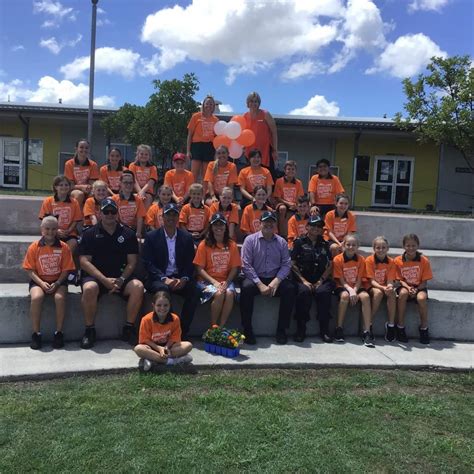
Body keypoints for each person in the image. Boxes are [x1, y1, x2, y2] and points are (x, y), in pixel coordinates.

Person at [78, 197, 144, 349]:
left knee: (138, 287)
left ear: (117, 213)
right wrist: (104, 280)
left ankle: (129, 328)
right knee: (89, 289)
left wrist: (121, 279)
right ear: (100, 213)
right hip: (96, 278)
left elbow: (132, 262)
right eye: (106, 211)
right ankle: (89, 330)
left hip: (120, 278)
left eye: (112, 211)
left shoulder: (128, 234)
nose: (109, 214)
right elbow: (84, 262)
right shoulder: (89, 233)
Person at [142, 203, 199, 337]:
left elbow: (190, 263)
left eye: (174, 215)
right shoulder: (152, 236)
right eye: (168, 214)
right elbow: (148, 263)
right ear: (162, 217)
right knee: (164, 291)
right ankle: (168, 330)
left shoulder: (186, 237)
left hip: (179, 278)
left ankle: (182, 330)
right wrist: (164, 279)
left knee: (195, 291)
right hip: (158, 279)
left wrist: (184, 279)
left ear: (178, 217)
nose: (171, 218)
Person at [240, 211, 296, 345]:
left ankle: (281, 330)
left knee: (290, 289)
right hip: (255, 278)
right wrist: (259, 284)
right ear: (260, 223)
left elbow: (286, 264)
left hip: (274, 278)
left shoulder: (282, 242)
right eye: (266, 221)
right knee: (246, 288)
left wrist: (276, 281)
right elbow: (246, 265)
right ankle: (247, 330)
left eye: (271, 222)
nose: (269, 224)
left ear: (275, 224)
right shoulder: (250, 240)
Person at [22, 216, 75, 350]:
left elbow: (66, 269)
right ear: (42, 229)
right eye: (47, 229)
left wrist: (57, 283)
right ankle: (36, 333)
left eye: (53, 229)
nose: (50, 232)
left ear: (57, 230)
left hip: (59, 281)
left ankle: (59, 333)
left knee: (59, 297)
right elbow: (30, 270)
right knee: (37, 297)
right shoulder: (34, 247)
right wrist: (41, 283)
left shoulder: (64, 247)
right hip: (39, 281)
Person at [291, 215, 335, 343]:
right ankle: (301, 329)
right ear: (307, 227)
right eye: (314, 225)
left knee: (324, 293)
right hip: (302, 278)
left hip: (320, 278)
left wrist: (321, 280)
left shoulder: (325, 244)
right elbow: (292, 263)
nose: (316, 228)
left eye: (319, 226)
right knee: (304, 292)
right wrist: (304, 281)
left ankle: (324, 330)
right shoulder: (299, 242)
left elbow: (330, 265)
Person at [193, 213, 241, 327]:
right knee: (219, 294)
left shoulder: (232, 244)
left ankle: (221, 327)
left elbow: (235, 268)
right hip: (205, 281)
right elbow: (199, 269)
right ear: (211, 227)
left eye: (221, 224)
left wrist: (227, 282)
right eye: (215, 225)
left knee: (229, 293)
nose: (218, 227)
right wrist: (214, 282)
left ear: (226, 227)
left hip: (225, 280)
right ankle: (213, 326)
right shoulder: (204, 244)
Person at [134, 291, 193, 372]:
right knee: (138, 349)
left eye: (166, 305)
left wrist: (166, 348)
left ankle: (152, 360)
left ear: (170, 305)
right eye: (159, 305)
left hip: (169, 348)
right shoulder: (146, 319)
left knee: (188, 345)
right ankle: (171, 361)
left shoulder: (175, 318)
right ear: (153, 305)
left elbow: (174, 338)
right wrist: (159, 349)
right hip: (152, 348)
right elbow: (145, 340)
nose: (162, 308)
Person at [332, 233, 372, 347]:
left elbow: (359, 278)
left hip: (357, 286)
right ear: (343, 245)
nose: (351, 247)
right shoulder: (338, 259)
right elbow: (341, 279)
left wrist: (354, 290)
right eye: (348, 244)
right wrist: (350, 290)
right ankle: (339, 328)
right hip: (342, 286)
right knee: (344, 296)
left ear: (358, 246)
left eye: (354, 245)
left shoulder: (361, 259)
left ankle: (367, 331)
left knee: (365, 297)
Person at [394, 234, 433, 344]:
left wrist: (416, 289)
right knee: (402, 294)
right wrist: (408, 287)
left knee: (421, 298)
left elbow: (424, 282)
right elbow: (399, 280)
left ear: (418, 246)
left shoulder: (424, 260)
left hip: (419, 287)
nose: (410, 248)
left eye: (413, 245)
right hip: (405, 286)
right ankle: (400, 326)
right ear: (403, 246)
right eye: (408, 245)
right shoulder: (397, 260)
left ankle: (424, 328)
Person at [39, 174, 82, 256]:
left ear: (69, 187)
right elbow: (45, 220)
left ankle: (64, 264)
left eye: (66, 185)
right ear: (55, 187)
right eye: (61, 185)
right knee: (50, 242)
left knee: (73, 243)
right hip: (52, 231)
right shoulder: (48, 201)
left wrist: (69, 230)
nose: (64, 187)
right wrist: (56, 230)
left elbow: (76, 220)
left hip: (69, 232)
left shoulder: (74, 202)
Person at [366, 236, 397, 342]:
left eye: (383, 247)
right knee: (378, 293)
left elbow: (390, 280)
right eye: (378, 247)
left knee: (392, 293)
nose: (381, 250)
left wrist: (389, 286)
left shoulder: (391, 262)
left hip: (384, 286)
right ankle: (368, 324)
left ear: (388, 248)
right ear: (374, 249)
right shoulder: (369, 260)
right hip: (373, 287)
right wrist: (383, 288)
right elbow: (371, 281)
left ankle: (391, 325)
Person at [244, 92, 279, 177]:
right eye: (251, 101)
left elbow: (274, 132)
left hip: (265, 151)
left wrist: (275, 150)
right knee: (251, 177)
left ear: (259, 103)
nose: (253, 103)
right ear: (248, 103)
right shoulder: (244, 116)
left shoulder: (265, 114)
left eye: (256, 101)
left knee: (268, 176)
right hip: (250, 152)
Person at [186, 95, 219, 183]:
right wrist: (188, 151)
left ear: (214, 107)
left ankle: (204, 195)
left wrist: (216, 154)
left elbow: (217, 138)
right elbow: (189, 135)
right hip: (197, 146)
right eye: (207, 103)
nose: (209, 106)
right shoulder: (196, 116)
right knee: (194, 173)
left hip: (209, 147)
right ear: (203, 104)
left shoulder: (216, 120)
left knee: (206, 174)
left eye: (211, 104)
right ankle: (192, 195)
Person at [272, 160, 304, 237]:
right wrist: (288, 203)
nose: (290, 171)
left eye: (293, 169)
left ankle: (299, 233)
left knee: (304, 209)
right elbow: (277, 197)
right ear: (285, 170)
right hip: (282, 203)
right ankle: (280, 233)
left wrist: (295, 205)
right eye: (288, 169)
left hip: (295, 204)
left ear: (296, 171)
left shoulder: (298, 182)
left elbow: (300, 197)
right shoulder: (279, 181)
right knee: (282, 208)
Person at [64, 138, 99, 207]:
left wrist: (88, 188)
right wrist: (81, 187)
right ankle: (77, 216)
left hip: (87, 190)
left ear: (89, 150)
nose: (84, 150)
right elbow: (70, 185)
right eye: (81, 147)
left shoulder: (93, 164)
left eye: (86, 148)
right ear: (76, 149)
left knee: (94, 194)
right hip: (73, 190)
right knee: (79, 194)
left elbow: (93, 183)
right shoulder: (69, 164)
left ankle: (89, 215)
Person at [112, 170, 146, 239]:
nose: (128, 185)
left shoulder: (138, 200)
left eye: (131, 183)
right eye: (125, 183)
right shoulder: (114, 199)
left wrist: (138, 233)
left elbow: (140, 218)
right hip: (119, 229)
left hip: (133, 229)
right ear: (120, 183)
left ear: (134, 184)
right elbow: (114, 218)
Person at [128, 144, 158, 210]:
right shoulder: (132, 165)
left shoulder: (153, 167)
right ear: (137, 154)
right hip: (134, 191)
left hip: (147, 191)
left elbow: (151, 182)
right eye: (141, 154)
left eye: (146, 154)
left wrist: (143, 191)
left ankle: (145, 218)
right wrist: (140, 192)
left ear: (149, 156)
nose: (143, 156)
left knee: (147, 198)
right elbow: (133, 180)